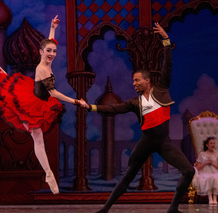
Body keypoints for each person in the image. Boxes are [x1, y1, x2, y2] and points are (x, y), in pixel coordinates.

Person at [81, 23, 195, 213]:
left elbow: (168, 64)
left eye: (137, 80)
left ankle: (173, 209)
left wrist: (165, 40)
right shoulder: (135, 103)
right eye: (133, 80)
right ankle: (105, 209)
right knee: (127, 177)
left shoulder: (161, 89)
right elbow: (113, 108)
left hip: (164, 142)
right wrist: (91, 107)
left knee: (189, 171)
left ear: (147, 80)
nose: (134, 83)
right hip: (146, 141)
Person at [0, 15, 86, 194]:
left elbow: (49, 43)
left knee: (6, 78)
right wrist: (76, 101)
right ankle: (49, 173)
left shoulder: (47, 58)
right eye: (48, 52)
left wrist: (53, 27)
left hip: (37, 96)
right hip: (34, 101)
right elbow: (53, 93)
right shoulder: (42, 69)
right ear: (40, 52)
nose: (52, 54)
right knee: (37, 136)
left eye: (54, 51)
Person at [193, 137, 218, 205]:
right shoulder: (202, 154)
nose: (213, 145)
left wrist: (212, 163)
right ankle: (210, 198)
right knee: (208, 178)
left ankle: (215, 198)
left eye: (214, 143)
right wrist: (206, 163)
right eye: (211, 143)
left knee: (216, 177)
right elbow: (198, 167)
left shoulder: (216, 154)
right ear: (207, 145)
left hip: (214, 171)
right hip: (205, 172)